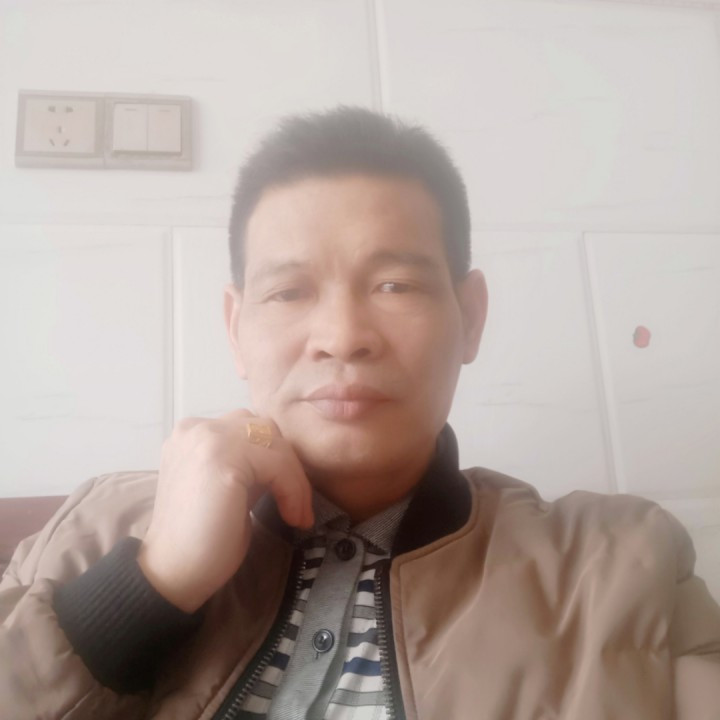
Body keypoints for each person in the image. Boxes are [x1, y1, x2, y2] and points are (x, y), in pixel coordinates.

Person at [1, 106, 719, 720]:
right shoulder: (89, 530)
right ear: (236, 329)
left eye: (395, 285)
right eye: (288, 292)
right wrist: (149, 586)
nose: (343, 336)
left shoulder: (621, 564)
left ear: (470, 317)